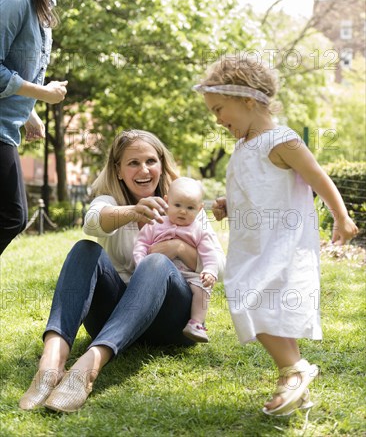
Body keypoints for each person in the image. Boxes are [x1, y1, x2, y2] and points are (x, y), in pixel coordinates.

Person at [193, 55, 358, 416]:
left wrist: (341, 217)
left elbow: (319, 178)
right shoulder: (242, 146)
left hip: (282, 244)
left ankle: (293, 371)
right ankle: (295, 381)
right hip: (251, 245)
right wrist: (227, 204)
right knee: (260, 304)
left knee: (253, 301)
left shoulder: (282, 140)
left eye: (220, 109)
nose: (218, 120)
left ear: (248, 100)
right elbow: (255, 190)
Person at [19, 130, 226, 413]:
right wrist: (133, 212)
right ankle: (51, 364)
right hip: (115, 317)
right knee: (85, 249)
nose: (144, 170)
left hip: (169, 321)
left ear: (162, 165)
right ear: (118, 170)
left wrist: (176, 247)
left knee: (155, 263)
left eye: (151, 161)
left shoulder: (185, 205)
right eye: (133, 163)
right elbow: (91, 223)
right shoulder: (110, 202)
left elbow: (219, 268)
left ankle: (88, 367)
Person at [0, 0, 85, 255]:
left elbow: (15, 66)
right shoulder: (15, 0)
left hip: (8, 125)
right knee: (13, 215)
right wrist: (42, 93)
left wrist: (30, 111)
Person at [133, 176, 222, 343]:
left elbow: (210, 254)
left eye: (190, 208)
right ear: (167, 202)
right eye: (177, 205)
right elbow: (141, 244)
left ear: (200, 208)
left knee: (203, 288)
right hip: (157, 274)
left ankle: (196, 323)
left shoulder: (200, 230)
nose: (183, 211)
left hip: (188, 276)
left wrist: (209, 271)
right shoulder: (155, 223)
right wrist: (140, 262)